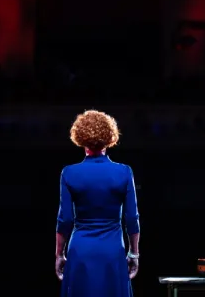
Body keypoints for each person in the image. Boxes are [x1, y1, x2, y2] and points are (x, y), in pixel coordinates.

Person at [55, 110, 140, 297]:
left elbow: (65, 219)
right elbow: (132, 218)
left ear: (81, 138)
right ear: (109, 137)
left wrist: (59, 254)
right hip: (112, 251)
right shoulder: (124, 172)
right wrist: (134, 254)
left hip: (81, 250)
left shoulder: (69, 173)